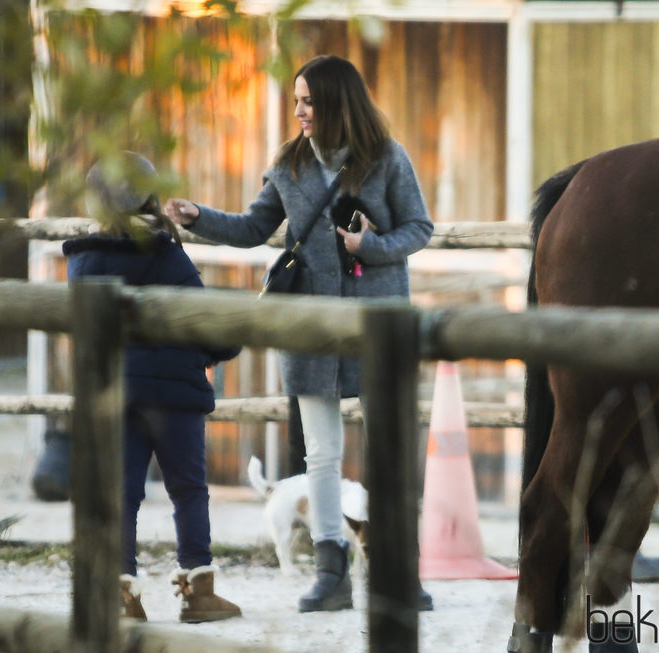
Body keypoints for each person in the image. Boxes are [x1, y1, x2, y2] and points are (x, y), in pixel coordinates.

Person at [165, 54, 435, 613]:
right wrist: (197, 217)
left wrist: (371, 248)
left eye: (308, 101)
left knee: (386, 450)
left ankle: (394, 573)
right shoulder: (288, 165)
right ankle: (331, 567)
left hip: (377, 324)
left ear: (337, 101)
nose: (299, 111)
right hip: (308, 327)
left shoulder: (386, 158)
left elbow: (419, 228)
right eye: (296, 101)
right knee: (322, 455)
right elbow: (251, 228)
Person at [56, 152, 243, 623]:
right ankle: (198, 590)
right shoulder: (164, 252)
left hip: (115, 392)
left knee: (121, 492)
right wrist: (223, 346)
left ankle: (123, 595)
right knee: (187, 489)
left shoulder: (83, 261)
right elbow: (201, 321)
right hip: (174, 394)